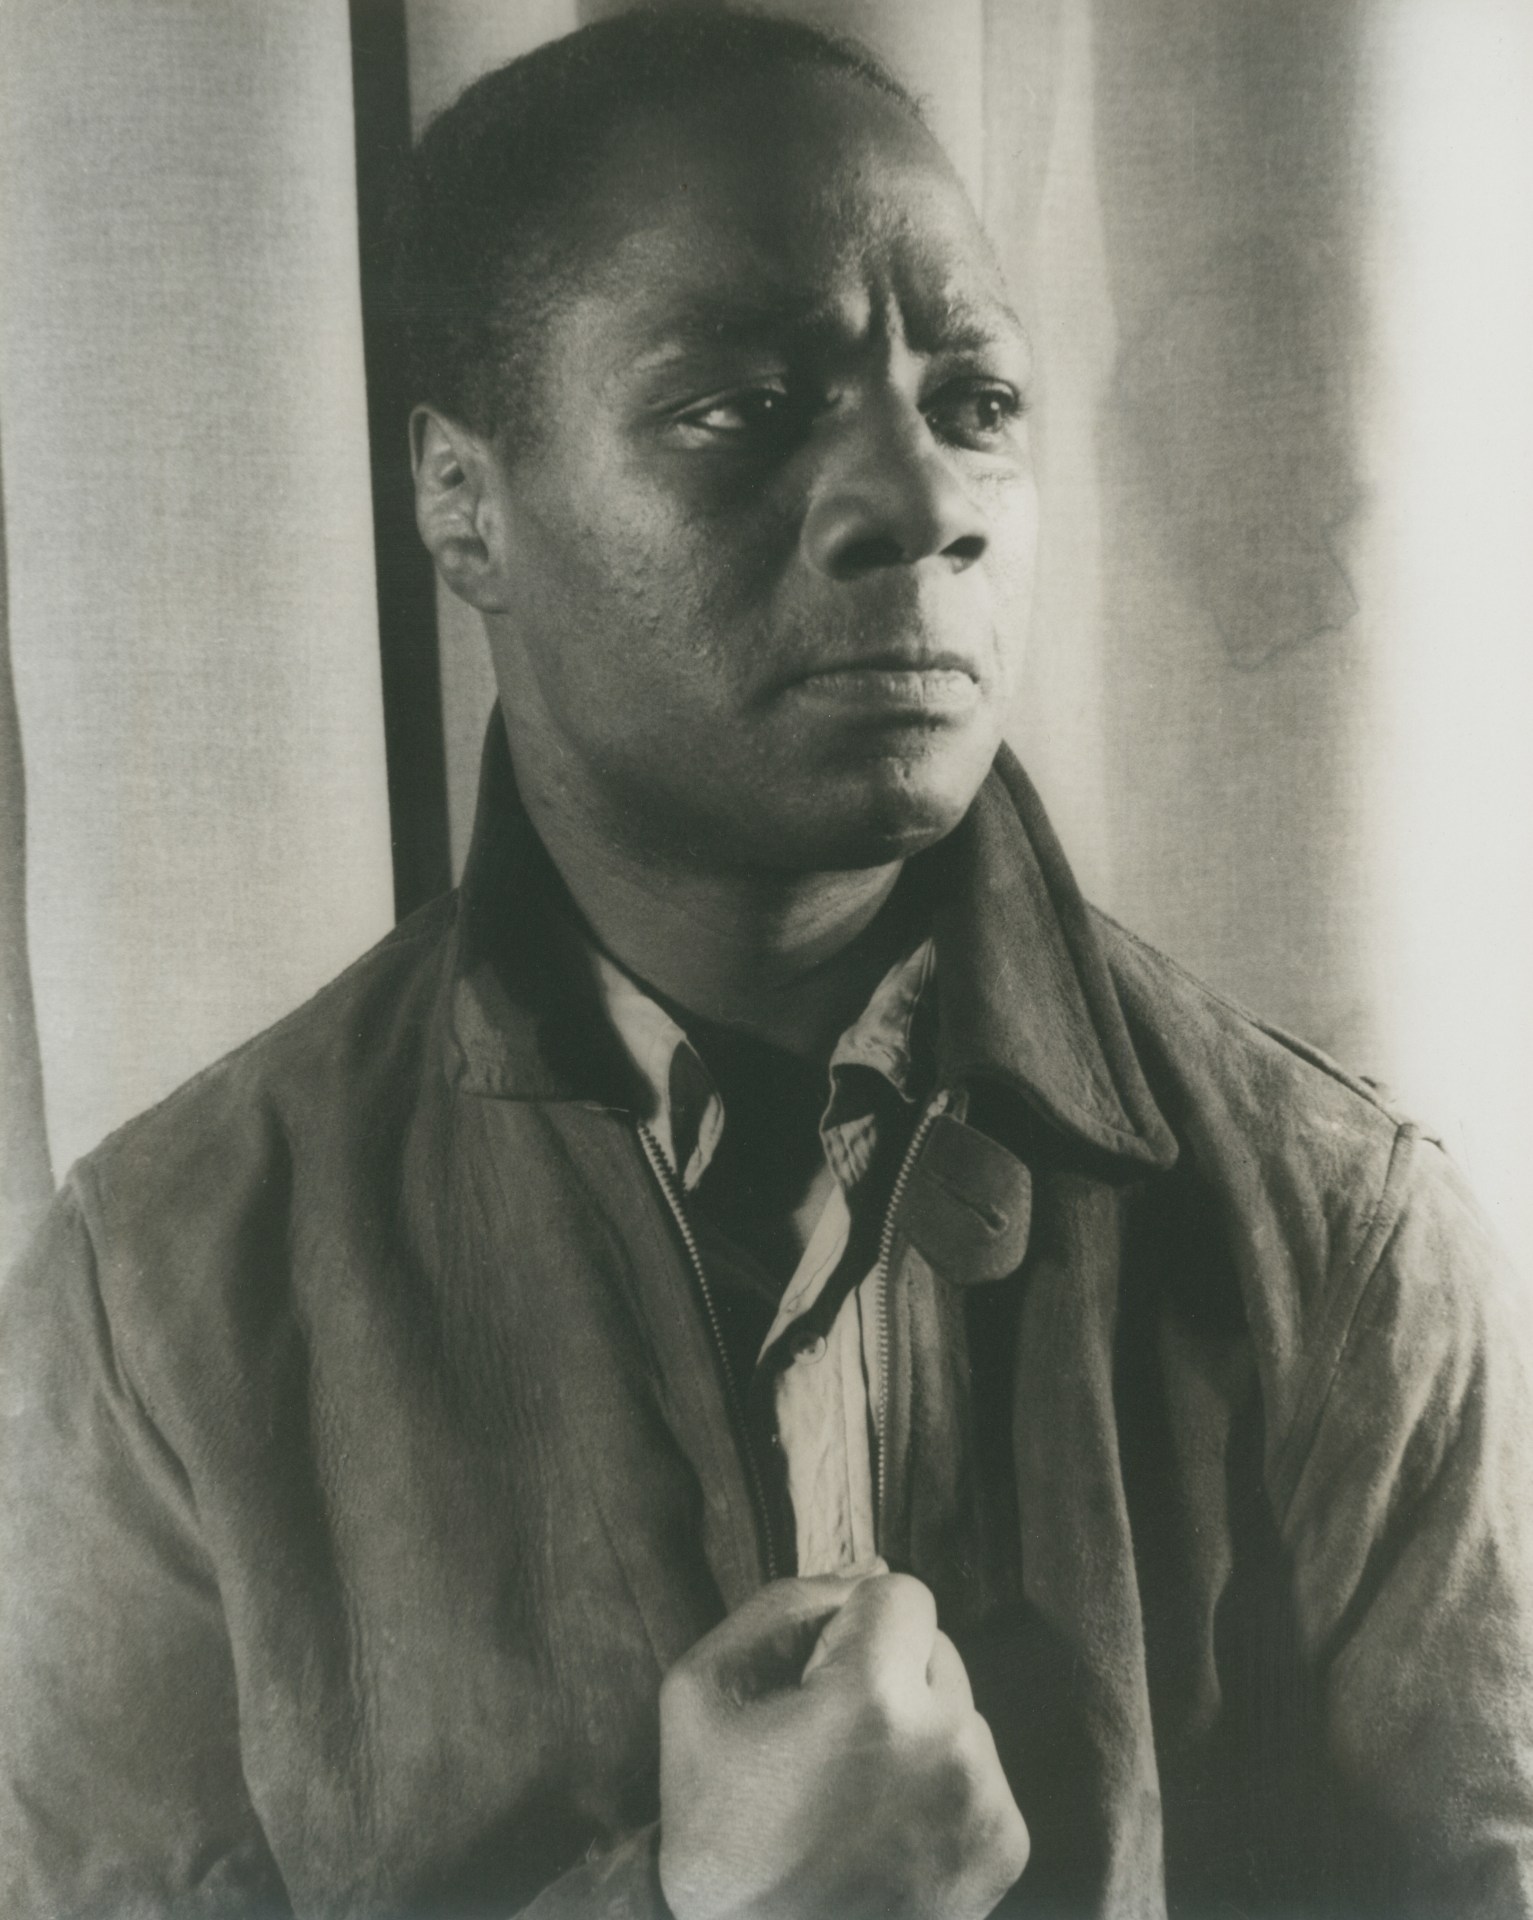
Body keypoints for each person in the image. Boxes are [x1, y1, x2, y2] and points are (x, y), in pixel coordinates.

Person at [2, 10, 1531, 1918]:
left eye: (975, 399)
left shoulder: (1340, 1245)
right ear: (462, 500)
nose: (920, 497)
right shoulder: (157, 1303)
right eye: (741, 403)